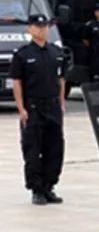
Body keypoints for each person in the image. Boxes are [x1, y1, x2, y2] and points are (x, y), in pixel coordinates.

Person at [12, 14, 65, 206]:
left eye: (44, 26)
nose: (41, 29)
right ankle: (36, 189)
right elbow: (17, 83)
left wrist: (61, 104)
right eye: (37, 26)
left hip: (53, 107)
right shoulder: (23, 54)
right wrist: (21, 108)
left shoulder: (56, 52)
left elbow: (61, 80)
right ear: (30, 29)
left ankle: (49, 186)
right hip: (33, 108)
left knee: (55, 149)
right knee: (33, 149)